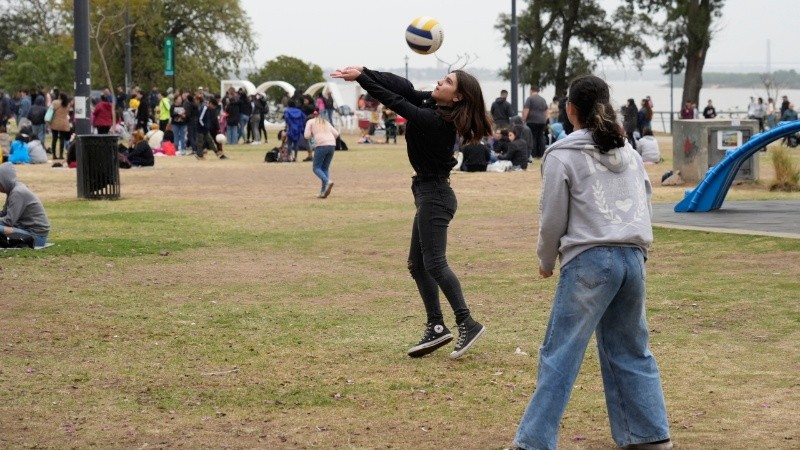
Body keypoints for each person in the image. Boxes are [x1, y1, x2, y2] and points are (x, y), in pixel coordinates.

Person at [512, 75, 671, 450]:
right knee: (631, 349)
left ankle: (534, 441)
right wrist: (639, 250)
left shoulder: (562, 154)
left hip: (589, 260)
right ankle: (649, 434)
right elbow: (645, 204)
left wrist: (546, 259)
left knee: (561, 353)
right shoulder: (630, 153)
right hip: (633, 258)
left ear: (569, 110)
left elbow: (552, 216)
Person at [331, 65, 492, 359]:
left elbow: (396, 102)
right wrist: (366, 71)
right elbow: (402, 87)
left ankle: (467, 322)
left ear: (457, 97)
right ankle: (436, 327)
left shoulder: (435, 120)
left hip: (436, 195)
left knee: (435, 264)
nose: (439, 82)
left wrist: (363, 81)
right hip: (427, 193)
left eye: (447, 82)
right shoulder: (432, 104)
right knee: (417, 265)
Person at [0, 162, 50, 248]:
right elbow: (4, 213)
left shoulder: (17, 193)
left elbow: (9, 221)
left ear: (5, 180)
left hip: (35, 237)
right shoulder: (13, 190)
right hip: (26, 231)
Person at [304, 111, 339, 198]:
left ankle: (327, 181)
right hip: (332, 145)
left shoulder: (310, 122)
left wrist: (313, 133)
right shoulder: (325, 121)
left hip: (321, 145)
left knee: (316, 167)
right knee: (325, 168)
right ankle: (323, 191)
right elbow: (336, 134)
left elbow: (306, 136)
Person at [522, 86, 548, 159]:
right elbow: (546, 111)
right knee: (541, 137)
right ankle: (541, 154)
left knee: (533, 137)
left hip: (532, 121)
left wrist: (524, 119)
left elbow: (526, 109)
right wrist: (545, 119)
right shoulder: (543, 99)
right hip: (542, 121)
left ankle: (534, 154)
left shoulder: (529, 99)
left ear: (531, 90)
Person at [49, 93, 72, 159]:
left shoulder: (55, 102)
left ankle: (54, 155)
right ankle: (61, 155)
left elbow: (51, 110)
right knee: (62, 139)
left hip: (55, 122)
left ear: (59, 97)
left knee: (54, 139)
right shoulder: (67, 104)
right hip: (63, 123)